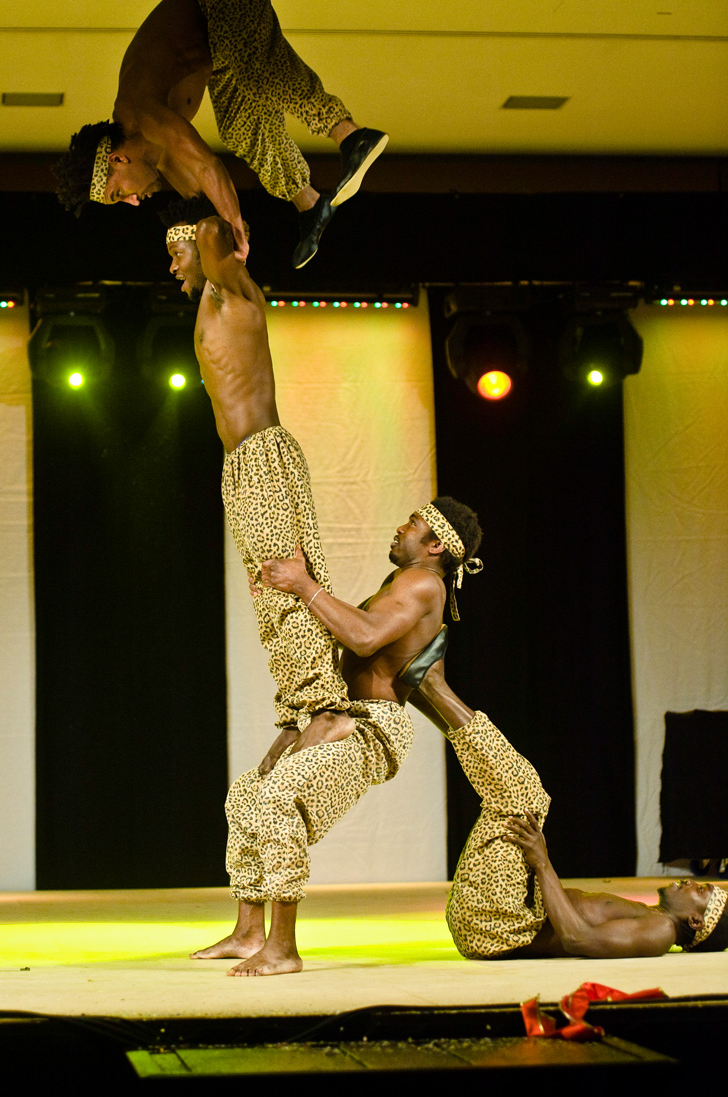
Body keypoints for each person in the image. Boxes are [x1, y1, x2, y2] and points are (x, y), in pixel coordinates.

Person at [162, 199, 483, 974]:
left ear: (435, 547)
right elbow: (337, 628)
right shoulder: (400, 580)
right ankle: (248, 929)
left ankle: (282, 947)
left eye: (177, 252)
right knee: (250, 790)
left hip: (364, 724)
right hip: (255, 486)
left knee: (287, 609)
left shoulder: (422, 590)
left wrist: (182, 169)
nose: (400, 526)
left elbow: (363, 636)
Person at [55, 0, 388, 268]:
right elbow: (201, 199)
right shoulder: (159, 154)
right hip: (217, 54)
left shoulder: (140, 112)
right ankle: (311, 204)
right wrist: (211, 249)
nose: (133, 201)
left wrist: (235, 229)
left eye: (118, 194)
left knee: (256, 74)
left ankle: (350, 135)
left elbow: (208, 165)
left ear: (117, 159)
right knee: (239, 129)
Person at [406, 661, 728, 958]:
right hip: (501, 920)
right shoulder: (653, 918)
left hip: (498, 928)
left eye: (701, 890)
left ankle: (430, 684)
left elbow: (577, 939)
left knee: (523, 795)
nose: (690, 883)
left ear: (695, 921)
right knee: (519, 792)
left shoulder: (660, 931)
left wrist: (541, 861)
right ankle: (416, 689)